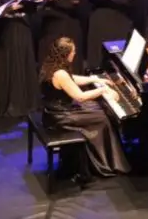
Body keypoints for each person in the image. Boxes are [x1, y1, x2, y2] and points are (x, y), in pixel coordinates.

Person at [40, 36, 130, 185]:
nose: (74, 54)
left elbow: (71, 79)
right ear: (65, 54)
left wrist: (95, 79)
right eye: (73, 52)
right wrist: (102, 90)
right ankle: (105, 164)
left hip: (55, 110)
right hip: (61, 116)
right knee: (103, 117)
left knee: (100, 110)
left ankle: (102, 158)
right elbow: (80, 97)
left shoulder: (51, 65)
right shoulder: (60, 74)